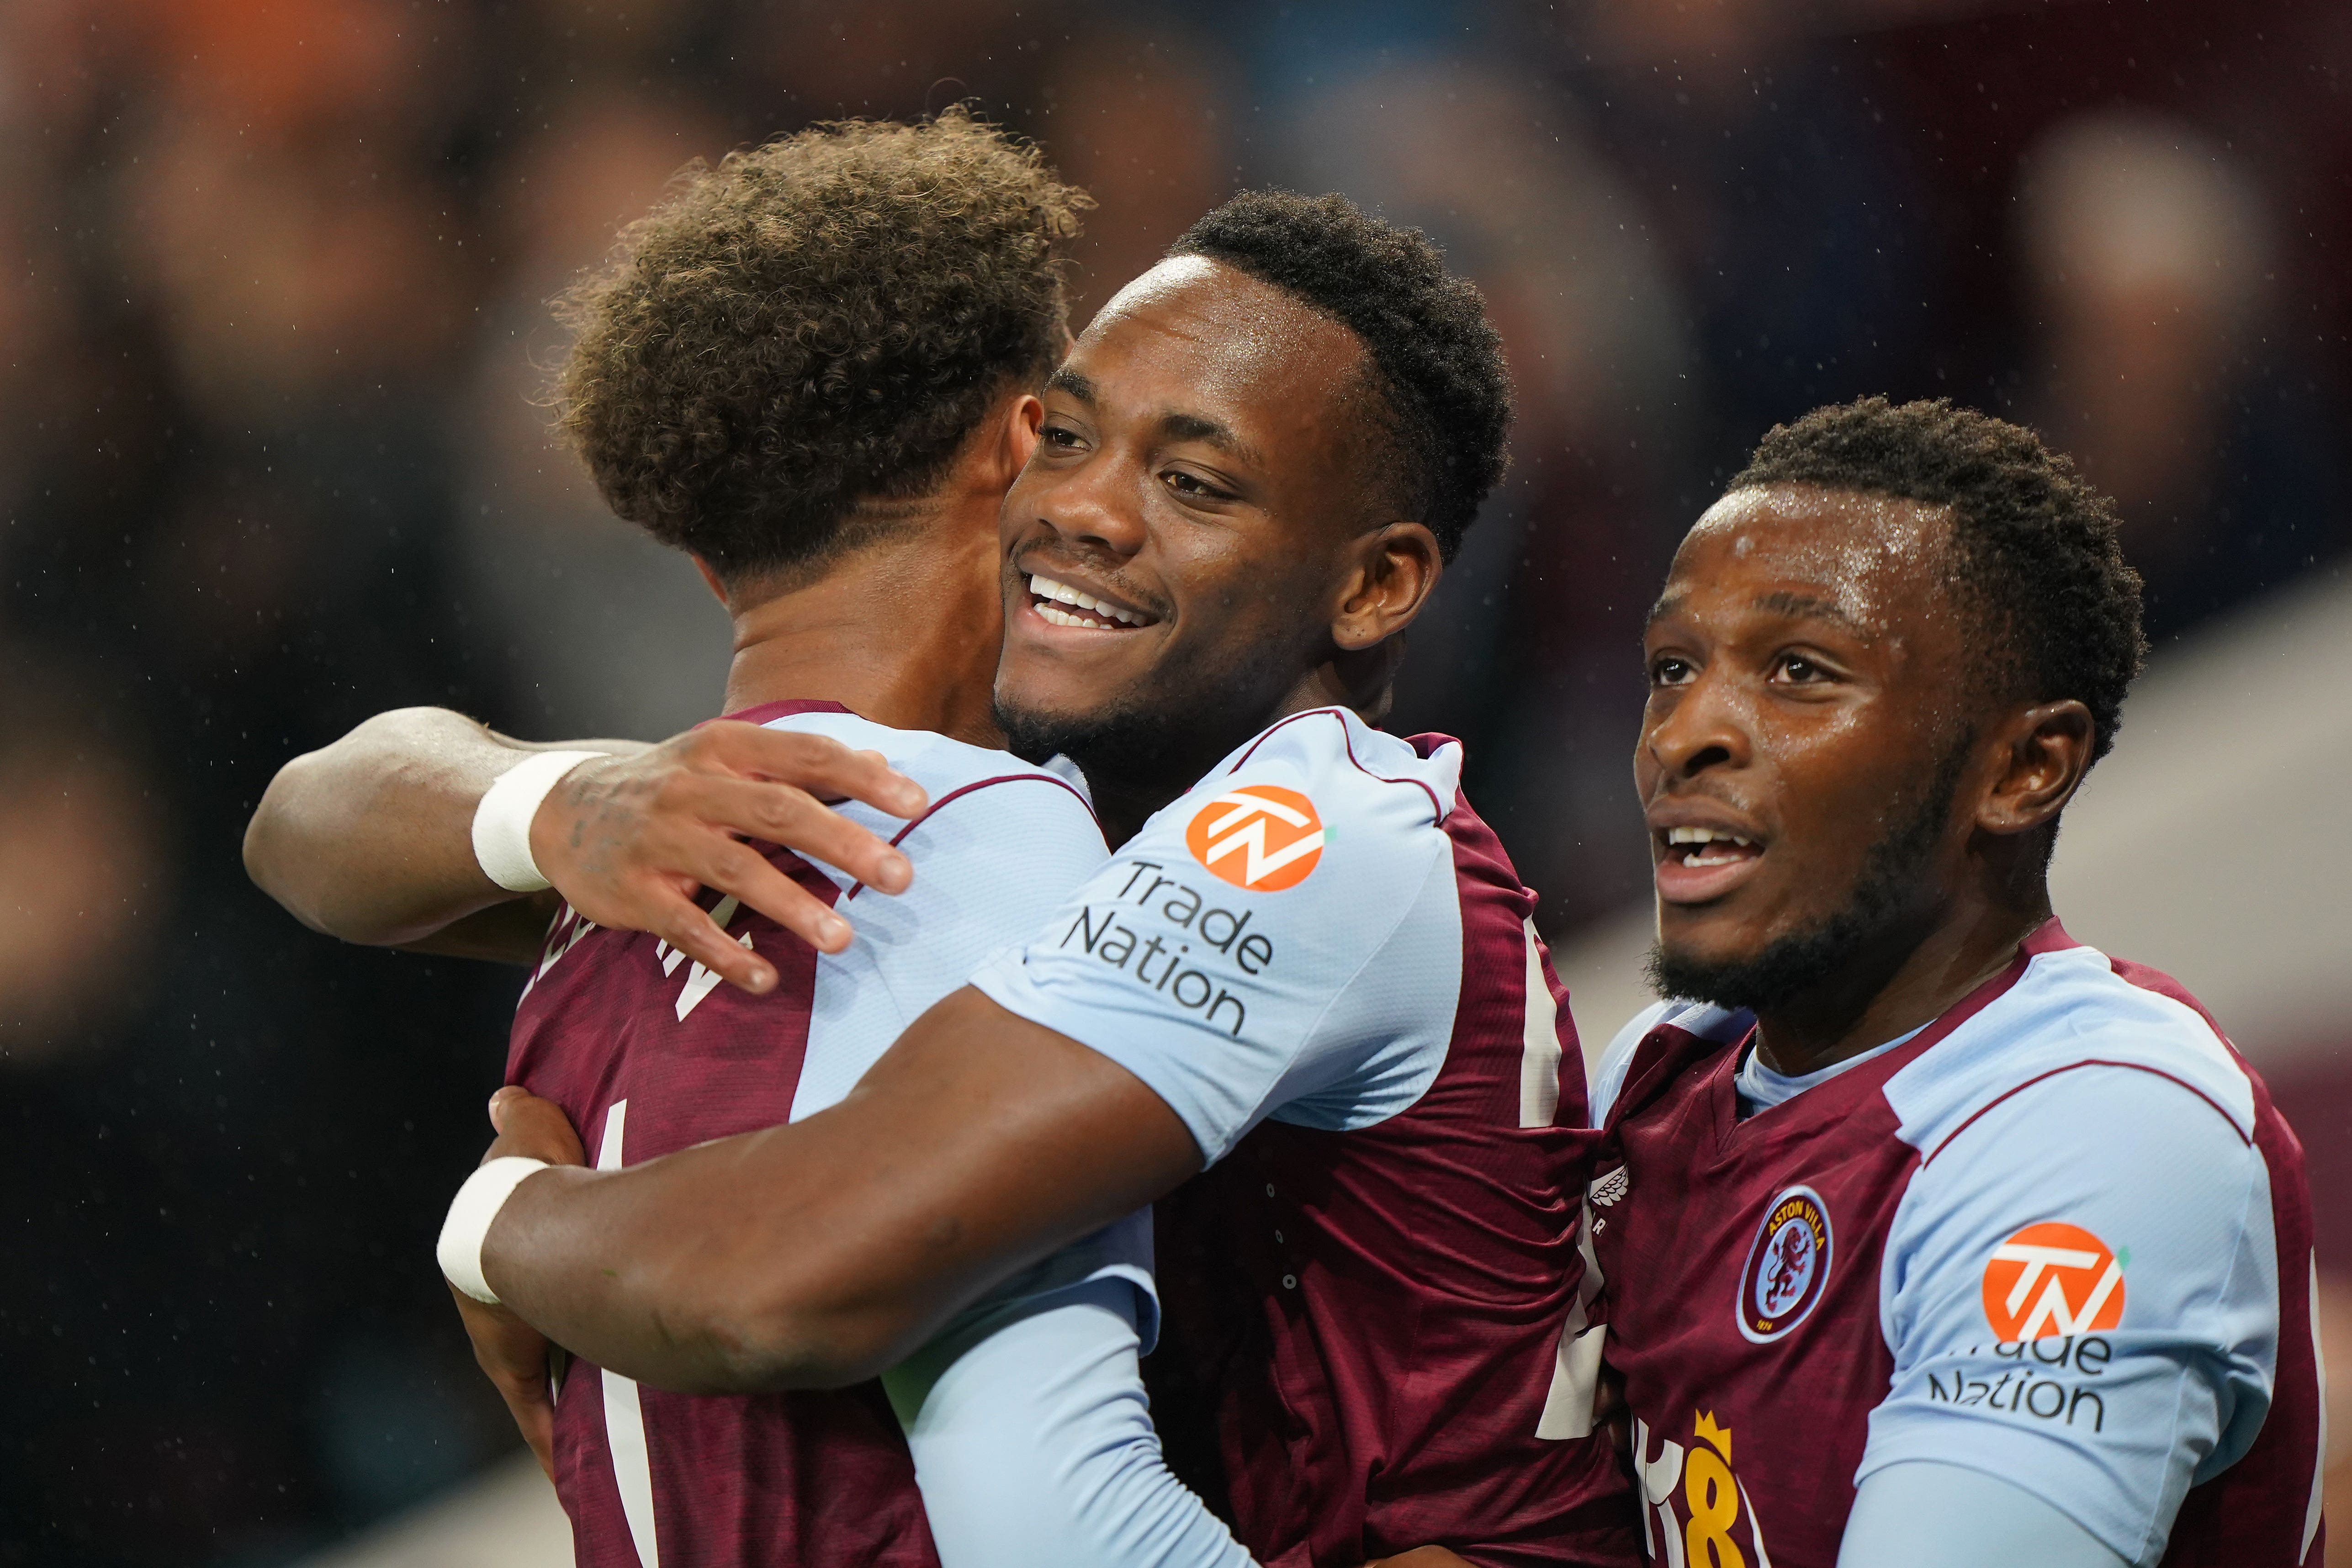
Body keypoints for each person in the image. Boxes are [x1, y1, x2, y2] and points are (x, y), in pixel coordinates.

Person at [251, 185, 1637, 1564]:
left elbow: (798, 1298)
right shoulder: (892, 817)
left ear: (1378, 585)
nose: (1087, 510)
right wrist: (549, 801)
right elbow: (305, 825)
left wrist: (500, 1221)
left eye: (1194, 482)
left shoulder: (1307, 830)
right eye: (1073, 436)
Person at [250, 109, 1257, 1568]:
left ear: (709, 558)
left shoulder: (601, 900)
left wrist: (493, 1216)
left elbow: (301, 824)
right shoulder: (980, 844)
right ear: (1021, 441)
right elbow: (1049, 1518)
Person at [1586, 397, 2324, 1568]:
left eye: (1798, 670)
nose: (1685, 734)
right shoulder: (1658, 1075)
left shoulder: (2104, 1126)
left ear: (2025, 768)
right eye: (1673, 666)